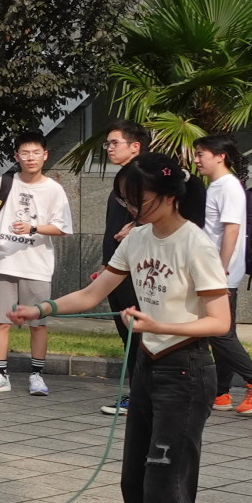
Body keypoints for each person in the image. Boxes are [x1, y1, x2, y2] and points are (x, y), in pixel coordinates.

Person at [9, 153, 230, 503]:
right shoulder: (138, 239)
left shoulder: (195, 243)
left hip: (186, 372)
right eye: (126, 202)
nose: (132, 210)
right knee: (135, 479)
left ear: (168, 196)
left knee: (168, 485)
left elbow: (219, 321)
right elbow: (92, 294)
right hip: (149, 366)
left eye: (139, 201)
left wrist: (159, 325)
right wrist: (41, 309)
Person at [0, 130, 72, 395]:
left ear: (45, 155)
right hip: (3, 262)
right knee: (1, 321)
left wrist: (33, 227)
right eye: (25, 153)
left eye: (36, 153)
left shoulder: (54, 190)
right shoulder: (5, 182)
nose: (30, 158)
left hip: (36, 266)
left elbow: (62, 228)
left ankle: (37, 375)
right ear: (16, 156)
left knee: (38, 324)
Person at [196, 134, 252, 417]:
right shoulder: (218, 185)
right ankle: (220, 393)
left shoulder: (228, 186)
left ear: (220, 156)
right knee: (223, 331)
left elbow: (231, 229)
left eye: (201, 154)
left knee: (216, 331)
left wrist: (220, 267)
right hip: (218, 270)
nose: (196, 160)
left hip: (221, 272)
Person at [99, 121, 148, 417]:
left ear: (135, 146)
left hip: (136, 273)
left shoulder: (145, 178)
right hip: (116, 271)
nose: (109, 148)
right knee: (128, 336)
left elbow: (169, 213)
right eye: (107, 143)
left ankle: (142, 397)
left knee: (137, 336)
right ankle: (139, 393)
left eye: (114, 142)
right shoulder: (124, 178)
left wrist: (138, 224)